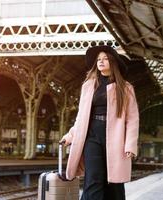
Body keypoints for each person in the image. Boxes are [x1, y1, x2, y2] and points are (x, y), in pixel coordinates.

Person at [59, 45, 139, 200]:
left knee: (113, 181)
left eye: (105, 59)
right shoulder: (88, 86)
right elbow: (81, 117)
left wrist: (130, 144)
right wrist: (70, 136)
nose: (101, 62)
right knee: (94, 177)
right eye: (98, 59)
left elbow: (132, 119)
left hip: (115, 139)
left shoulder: (126, 88)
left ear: (113, 62)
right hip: (92, 136)